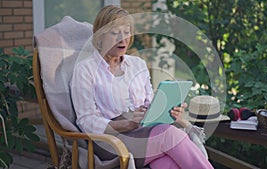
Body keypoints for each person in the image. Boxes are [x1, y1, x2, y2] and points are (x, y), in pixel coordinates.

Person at [70, 5, 214, 169]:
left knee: (168, 164)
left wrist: (169, 113)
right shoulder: (85, 70)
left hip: (145, 136)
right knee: (170, 134)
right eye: (115, 33)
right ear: (100, 35)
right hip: (110, 142)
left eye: (126, 32)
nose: (123, 39)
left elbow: (150, 103)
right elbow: (86, 121)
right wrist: (127, 124)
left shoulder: (137, 64)